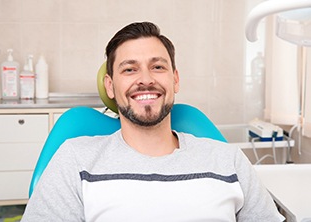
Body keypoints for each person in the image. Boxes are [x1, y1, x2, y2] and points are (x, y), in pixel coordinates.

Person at [22, 22, 284, 221]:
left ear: (175, 80)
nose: (145, 79)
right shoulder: (75, 160)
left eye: (157, 67)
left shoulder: (228, 160)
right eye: (129, 69)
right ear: (110, 86)